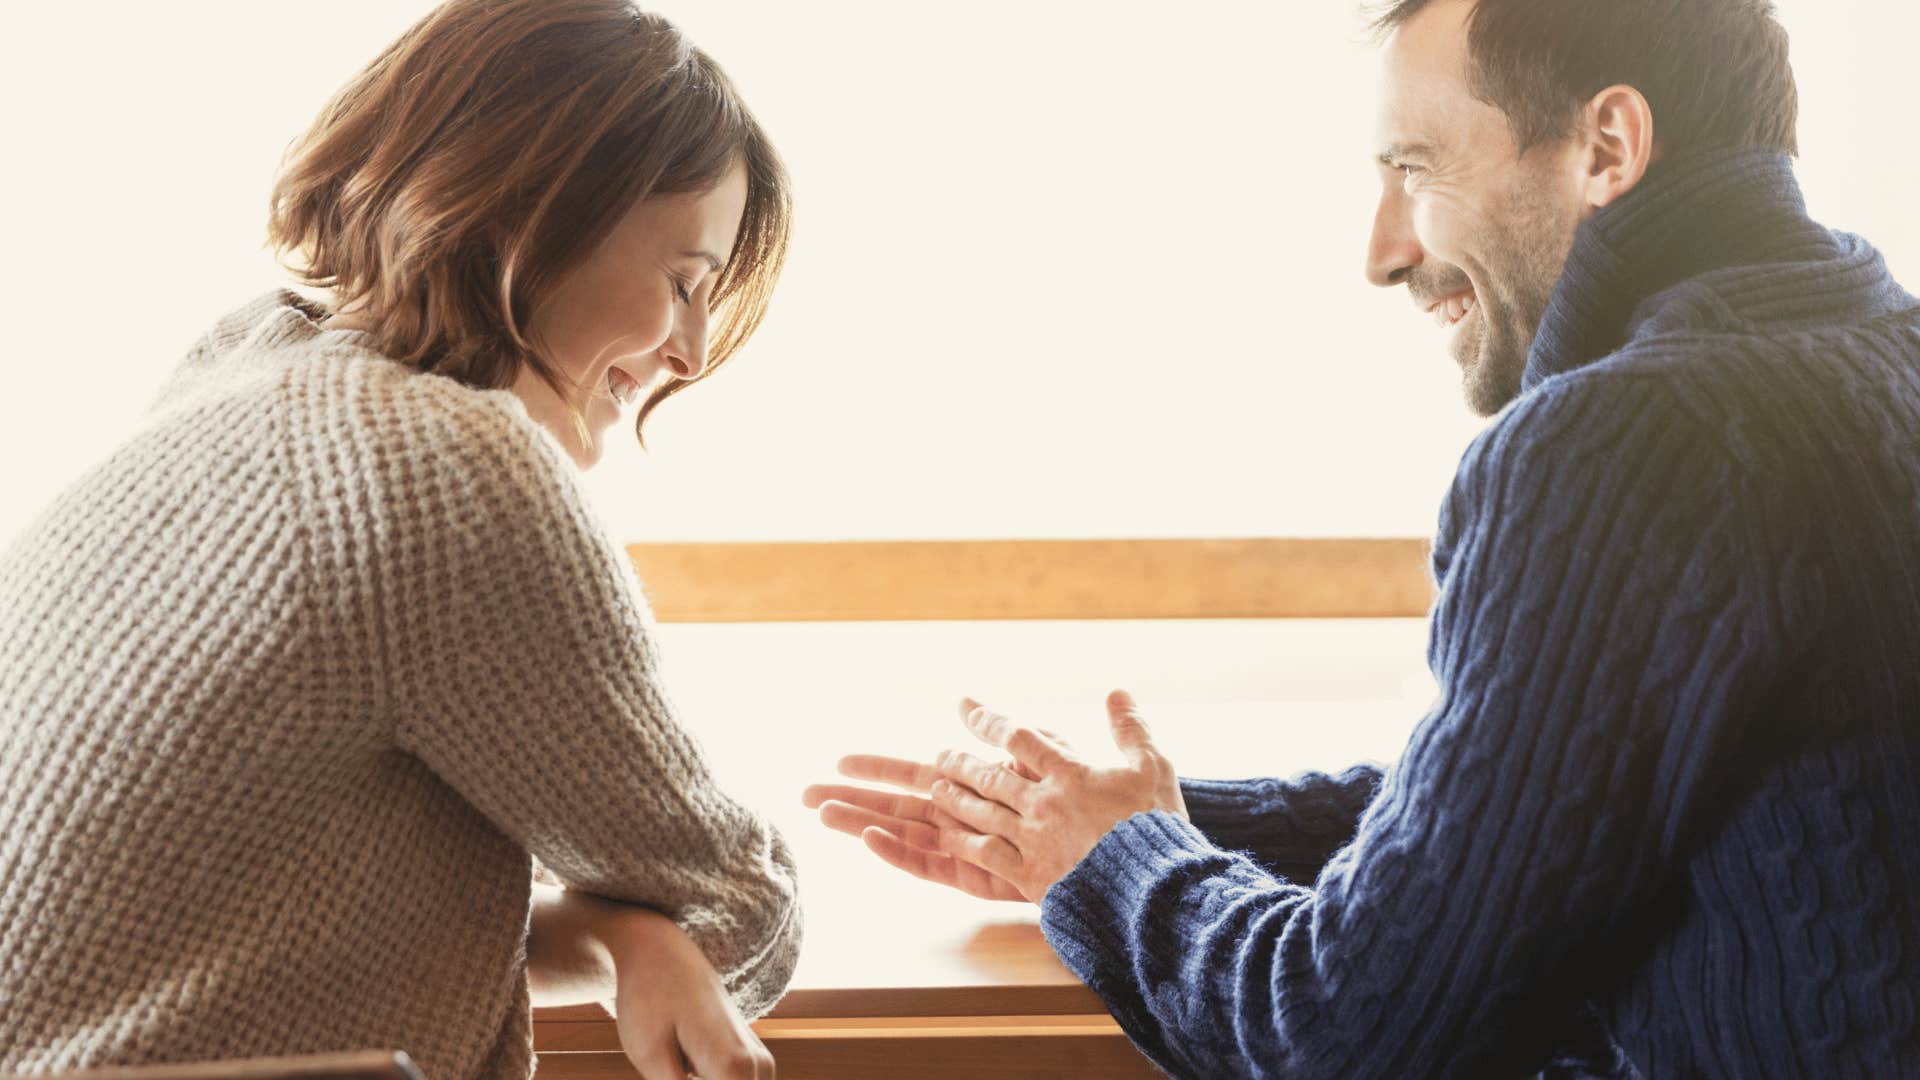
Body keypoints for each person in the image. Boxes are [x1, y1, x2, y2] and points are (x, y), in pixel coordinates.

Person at [805, 0, 1920, 1075]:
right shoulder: (1881, 354)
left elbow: (1344, 1036)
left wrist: (1114, 861)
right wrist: (1141, 818)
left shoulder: (1626, 444)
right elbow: (1538, 796)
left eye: (1416, 169)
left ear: (1607, 146)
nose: (1384, 253)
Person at [0, 4, 797, 1080]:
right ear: (538, 215)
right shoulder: (439, 471)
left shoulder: (246, 366)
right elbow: (736, 906)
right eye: (686, 281)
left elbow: (272, 915)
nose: (694, 350)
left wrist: (617, 933)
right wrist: (647, 921)